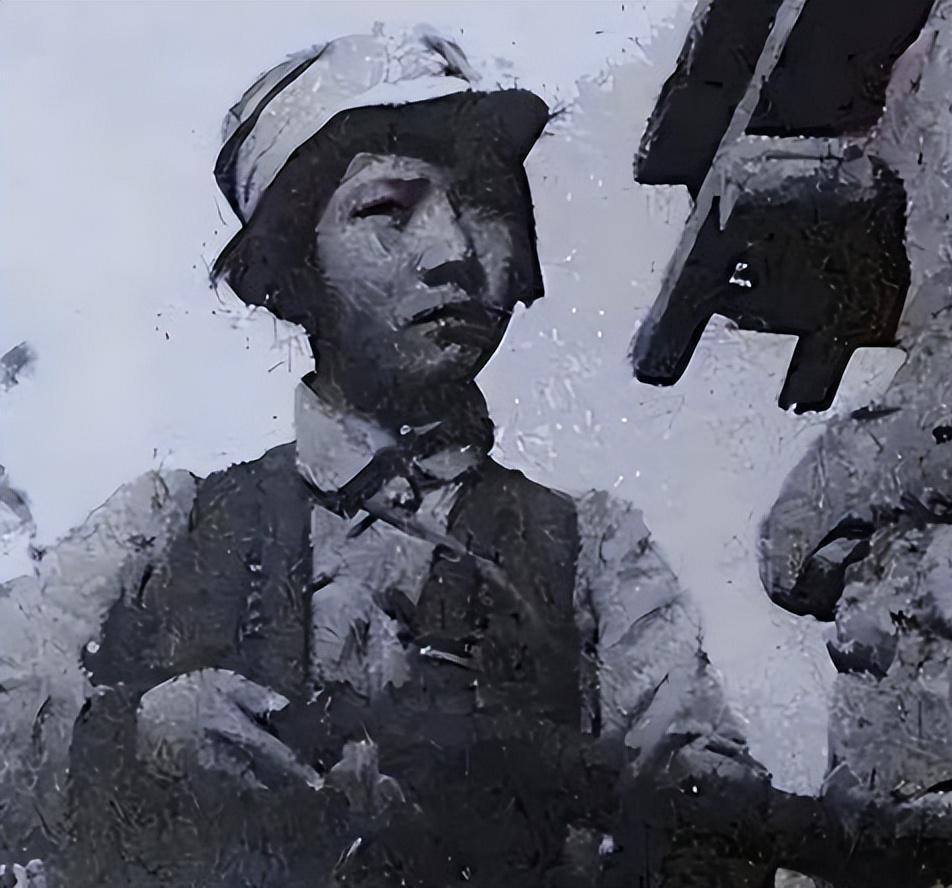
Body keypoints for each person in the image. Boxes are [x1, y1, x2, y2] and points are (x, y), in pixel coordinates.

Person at [0, 26, 775, 887]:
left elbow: (713, 808)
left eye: (485, 203)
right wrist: (131, 742)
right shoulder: (166, 524)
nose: (454, 252)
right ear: (290, 272)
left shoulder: (594, 549)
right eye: (386, 210)